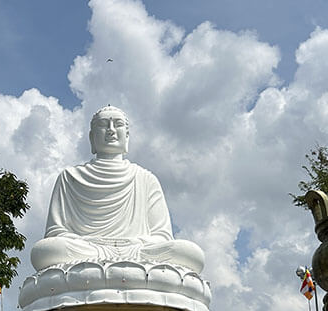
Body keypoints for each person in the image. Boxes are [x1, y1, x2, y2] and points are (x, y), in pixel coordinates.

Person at [30, 106, 205, 272]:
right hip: (87, 248)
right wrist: (95, 245)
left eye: (118, 124)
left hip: (137, 251)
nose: (111, 130)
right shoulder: (69, 177)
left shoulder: (145, 178)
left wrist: (132, 246)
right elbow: (56, 232)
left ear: (127, 136)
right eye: (103, 125)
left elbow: (162, 236)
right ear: (92, 137)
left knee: (189, 253)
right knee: (46, 251)